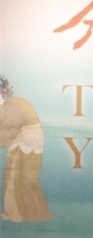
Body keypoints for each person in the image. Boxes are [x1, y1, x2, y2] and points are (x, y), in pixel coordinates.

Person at [0, 74, 52, 222]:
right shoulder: (7, 105)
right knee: (12, 177)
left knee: (24, 180)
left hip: (28, 140)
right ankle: (12, 212)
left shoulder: (12, 104)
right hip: (21, 139)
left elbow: (7, 131)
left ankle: (25, 214)